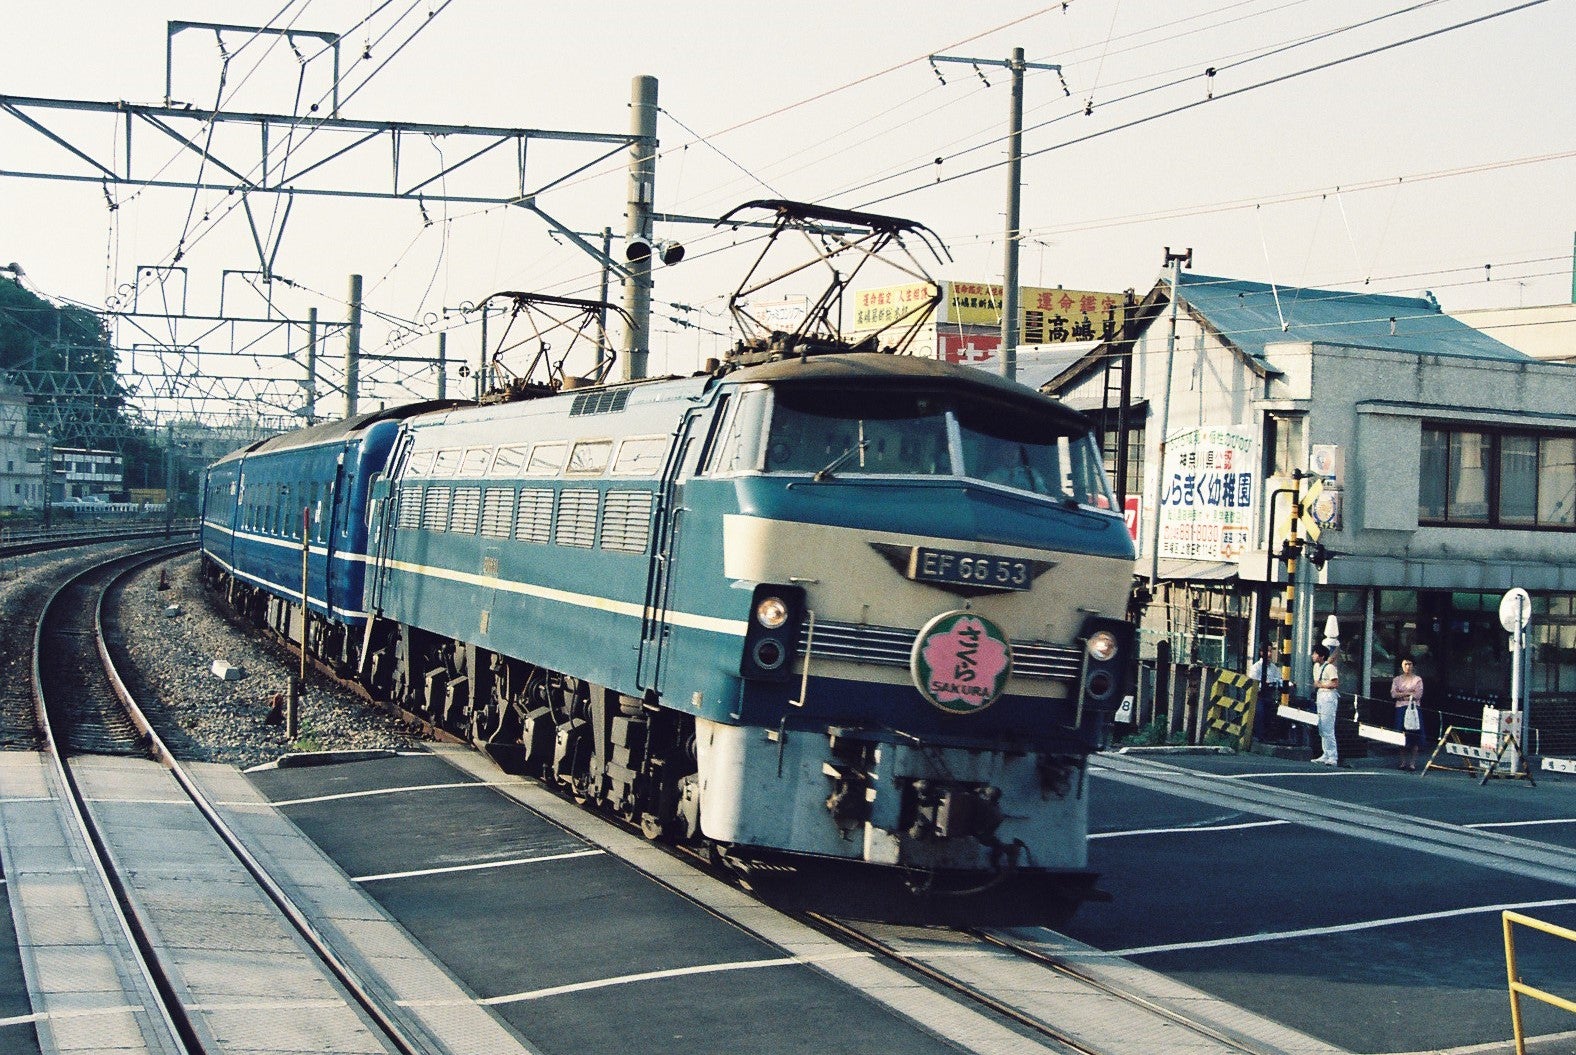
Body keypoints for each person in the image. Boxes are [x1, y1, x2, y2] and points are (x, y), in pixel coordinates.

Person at [1390, 656, 1425, 771]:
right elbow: (1393, 694)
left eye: (1410, 664)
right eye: (1405, 664)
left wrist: (1402, 693)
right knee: (1401, 735)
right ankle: (1403, 762)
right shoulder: (1397, 679)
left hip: (1414, 709)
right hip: (1400, 708)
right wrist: (1409, 693)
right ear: (1402, 665)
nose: (1408, 666)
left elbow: (1418, 695)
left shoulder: (1417, 679)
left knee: (1414, 735)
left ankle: (1412, 763)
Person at [1311, 644, 1340, 766]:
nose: (1313, 656)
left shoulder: (1330, 668)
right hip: (1320, 696)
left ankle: (1333, 756)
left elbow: (1335, 683)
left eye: (1315, 653)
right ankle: (1325, 754)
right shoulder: (1316, 667)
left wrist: (1321, 685)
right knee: (1322, 726)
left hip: (1328, 696)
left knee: (1328, 727)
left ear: (1321, 656)